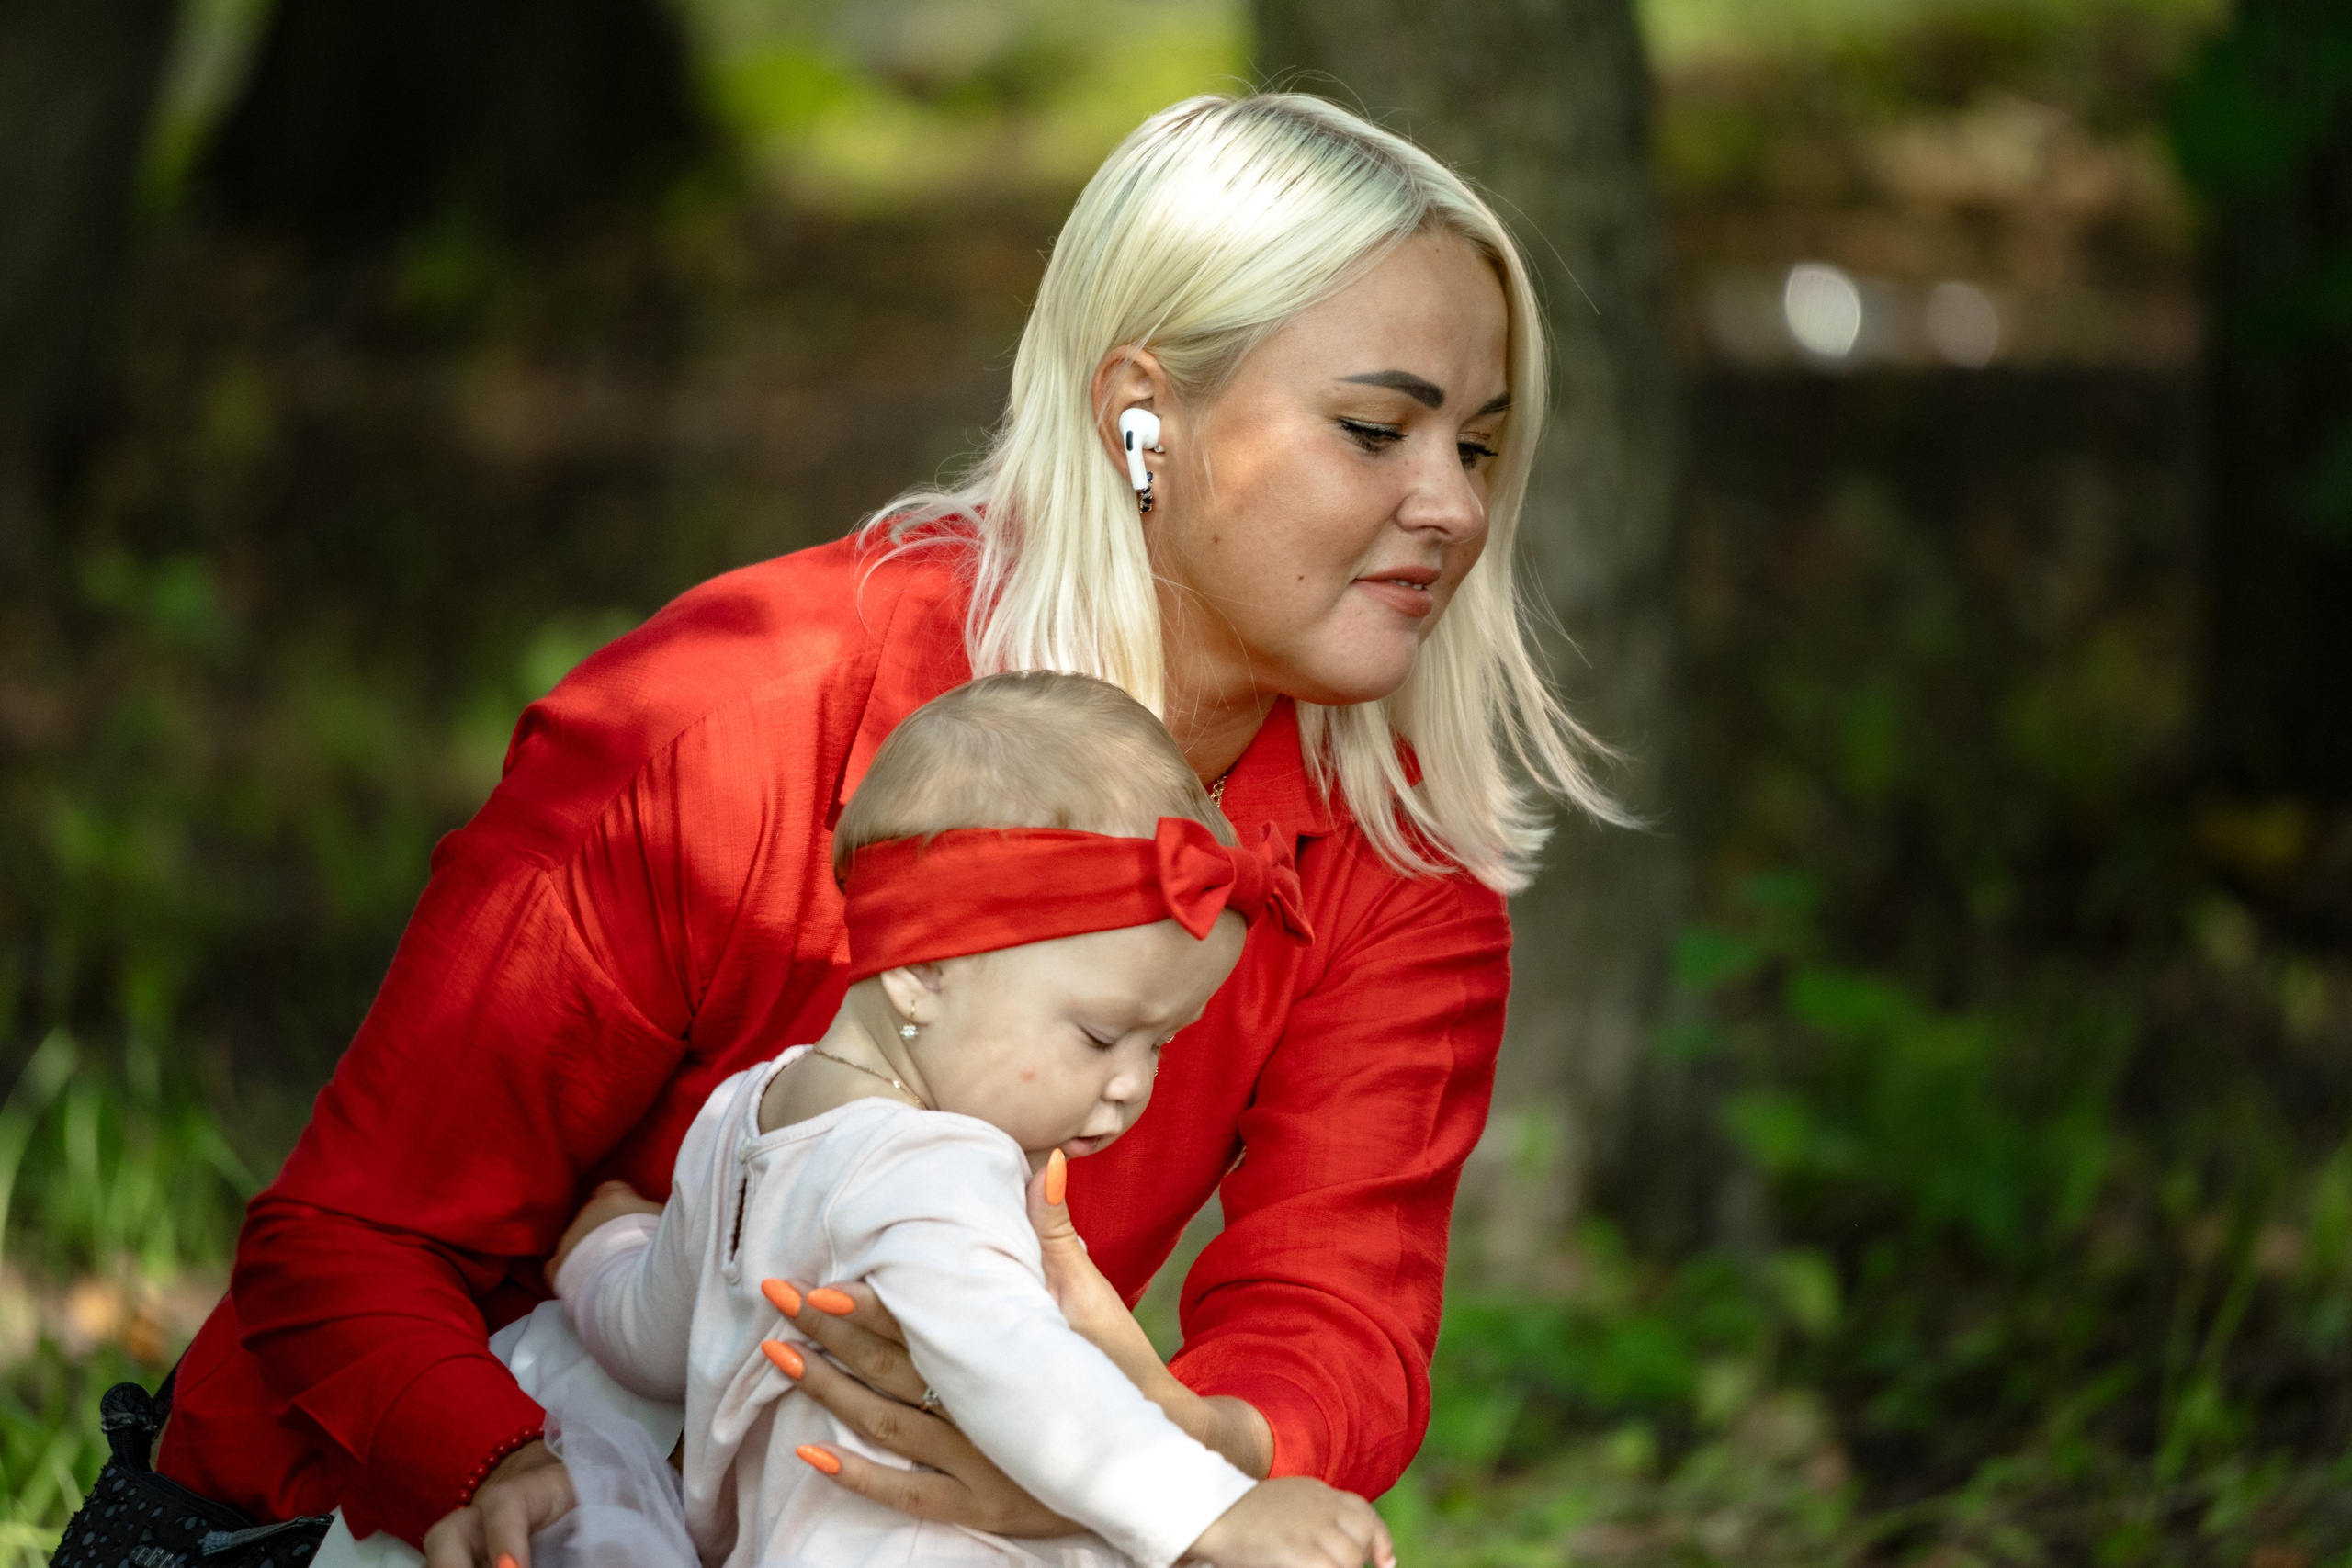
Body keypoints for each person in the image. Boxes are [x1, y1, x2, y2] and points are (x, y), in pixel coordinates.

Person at [152, 89, 1625, 1565]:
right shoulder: (733, 721)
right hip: (412, 1508)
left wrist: (1140, 1453)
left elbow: (1335, 1313)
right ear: (1142, 414)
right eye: (1378, 430)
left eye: (1483, 449)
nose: (1452, 505)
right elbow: (356, 1235)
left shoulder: (1395, 846)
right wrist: (502, 1459)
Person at [533, 671, 1390, 1568]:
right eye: (1101, 1035)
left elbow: (655, 1343)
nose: (1132, 1085)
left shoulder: (742, 1116)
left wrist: (604, 1254)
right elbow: (1020, 1371)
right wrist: (1212, 1514)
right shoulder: (933, 1164)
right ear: (921, 972)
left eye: (1160, 1047)